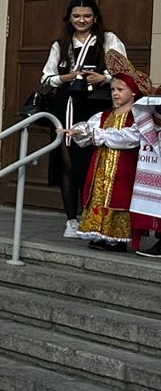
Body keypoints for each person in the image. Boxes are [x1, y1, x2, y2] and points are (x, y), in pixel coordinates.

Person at [42, 0, 126, 239]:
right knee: (67, 163)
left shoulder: (108, 39)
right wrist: (67, 78)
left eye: (87, 16)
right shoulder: (61, 44)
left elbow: (124, 71)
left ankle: (93, 218)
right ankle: (71, 219)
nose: (81, 20)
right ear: (69, 18)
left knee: (93, 162)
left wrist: (104, 78)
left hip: (96, 107)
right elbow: (46, 78)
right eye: (76, 16)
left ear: (95, 17)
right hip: (66, 105)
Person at [67, 65, 149, 252]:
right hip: (102, 166)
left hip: (124, 169)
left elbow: (131, 138)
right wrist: (78, 131)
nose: (115, 93)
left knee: (120, 198)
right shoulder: (104, 115)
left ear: (133, 92)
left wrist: (101, 135)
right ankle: (100, 234)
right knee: (99, 196)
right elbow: (89, 129)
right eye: (113, 89)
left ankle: (117, 239)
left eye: (120, 89)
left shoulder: (137, 116)